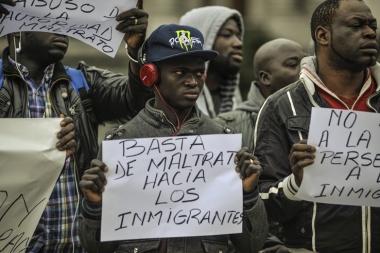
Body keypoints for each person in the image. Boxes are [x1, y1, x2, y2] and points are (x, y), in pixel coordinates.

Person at [78, 23, 268, 253]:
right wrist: (95, 207)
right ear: (150, 75)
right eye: (180, 72)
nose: (192, 81)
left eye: (199, 73)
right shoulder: (121, 143)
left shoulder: (222, 142)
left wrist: (248, 196)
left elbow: (252, 245)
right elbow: (96, 249)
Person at [0, 0, 153, 252]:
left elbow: (139, 104)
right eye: (50, 19)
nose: (63, 28)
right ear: (18, 29)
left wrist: (136, 53)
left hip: (77, 244)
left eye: (67, 20)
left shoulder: (82, 83)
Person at [254, 0, 379, 252]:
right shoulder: (282, 105)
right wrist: (297, 182)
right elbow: (259, 206)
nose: (370, 32)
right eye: (357, 25)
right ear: (323, 35)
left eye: (372, 26)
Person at [215, 38, 306, 151]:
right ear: (266, 77)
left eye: (307, 64)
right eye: (293, 64)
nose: (305, 70)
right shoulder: (226, 126)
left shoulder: (320, 117)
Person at [179, 6, 244, 118]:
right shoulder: (173, 105)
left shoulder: (237, 105)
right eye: (227, 34)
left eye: (239, 36)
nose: (238, 43)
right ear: (202, 39)